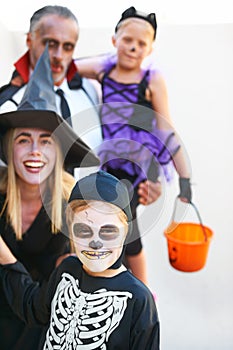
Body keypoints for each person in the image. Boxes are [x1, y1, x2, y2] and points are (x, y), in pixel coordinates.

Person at [0, 5, 163, 282]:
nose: (59, 56)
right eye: (50, 44)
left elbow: (123, 137)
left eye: (68, 46)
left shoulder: (90, 90)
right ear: (29, 40)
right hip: (32, 251)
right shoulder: (9, 105)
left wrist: (150, 178)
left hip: (94, 233)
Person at [75, 6, 192, 284]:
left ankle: (143, 291)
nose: (133, 48)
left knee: (128, 225)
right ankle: (108, 281)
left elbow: (166, 128)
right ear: (114, 40)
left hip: (138, 166)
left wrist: (185, 179)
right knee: (109, 224)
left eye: (142, 44)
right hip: (109, 164)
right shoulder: (104, 71)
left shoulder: (151, 79)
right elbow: (68, 65)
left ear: (150, 49)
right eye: (127, 40)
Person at [0, 46, 99, 349]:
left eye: (46, 141)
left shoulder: (76, 208)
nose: (34, 153)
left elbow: (51, 306)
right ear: (8, 149)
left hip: (38, 334)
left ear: (59, 152)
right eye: (23, 140)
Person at [0, 170, 160, 349]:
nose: (96, 243)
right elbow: (33, 307)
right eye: (84, 231)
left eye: (108, 231)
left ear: (126, 233)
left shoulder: (138, 298)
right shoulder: (67, 270)